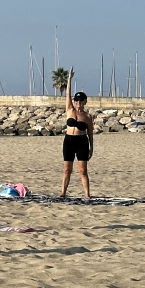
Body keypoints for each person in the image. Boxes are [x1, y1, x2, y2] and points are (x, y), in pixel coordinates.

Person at [61, 69, 93, 198]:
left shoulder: (87, 116)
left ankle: (87, 194)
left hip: (82, 143)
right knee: (67, 170)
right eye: (76, 101)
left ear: (85, 102)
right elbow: (67, 94)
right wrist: (69, 78)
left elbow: (90, 133)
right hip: (69, 141)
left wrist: (91, 148)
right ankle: (63, 193)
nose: (78, 103)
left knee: (83, 171)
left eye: (81, 101)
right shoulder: (70, 110)